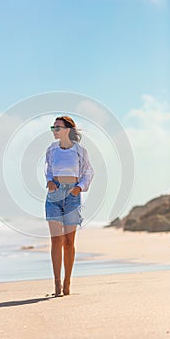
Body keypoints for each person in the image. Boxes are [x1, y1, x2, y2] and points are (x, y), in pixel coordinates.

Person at [45, 116, 94, 296]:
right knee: (56, 240)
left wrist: (79, 188)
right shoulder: (51, 149)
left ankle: (67, 282)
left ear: (67, 129)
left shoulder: (80, 151)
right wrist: (50, 181)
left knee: (69, 242)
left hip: (72, 196)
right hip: (54, 196)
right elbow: (48, 170)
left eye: (57, 127)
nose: (54, 130)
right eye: (53, 128)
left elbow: (88, 172)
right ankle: (57, 284)